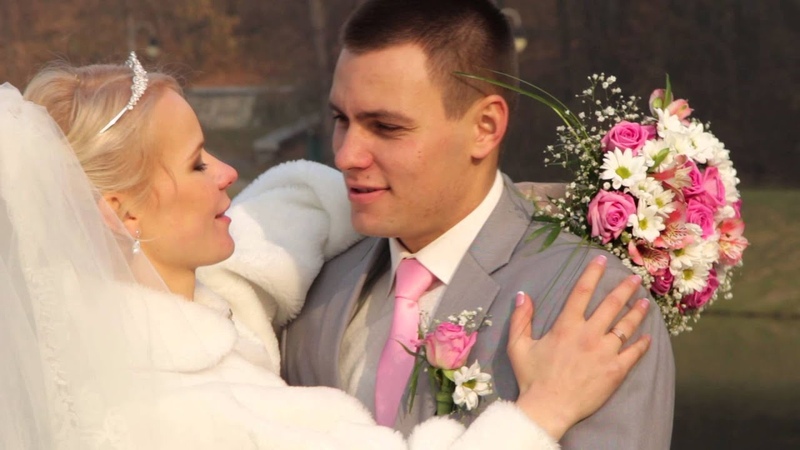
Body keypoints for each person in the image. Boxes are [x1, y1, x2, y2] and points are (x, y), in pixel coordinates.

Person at [0, 53, 651, 449]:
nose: (228, 173)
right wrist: (543, 411)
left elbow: (287, 213)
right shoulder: (195, 411)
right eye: (197, 163)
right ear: (123, 213)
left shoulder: (100, 330)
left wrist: (443, 196)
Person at [281, 0, 676, 448]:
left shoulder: (590, 303)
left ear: (485, 127)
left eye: (386, 127)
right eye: (341, 119)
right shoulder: (316, 290)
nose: (346, 155)